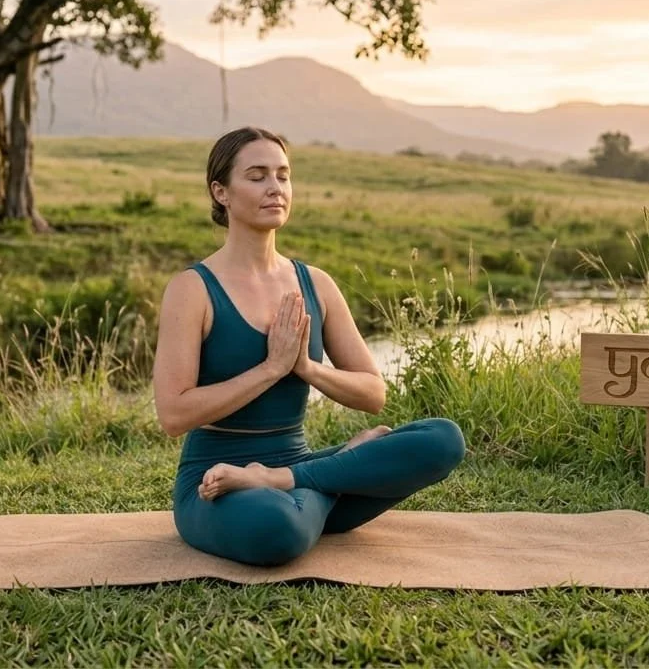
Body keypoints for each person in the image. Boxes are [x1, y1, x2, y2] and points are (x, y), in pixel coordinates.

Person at [152, 126, 465, 567]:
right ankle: (327, 480)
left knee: (443, 439)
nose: (275, 188)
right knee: (275, 529)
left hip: (298, 466)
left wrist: (308, 369)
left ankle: (288, 482)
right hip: (215, 482)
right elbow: (173, 415)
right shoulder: (193, 289)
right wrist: (270, 369)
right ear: (221, 192)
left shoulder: (315, 283)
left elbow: (373, 395)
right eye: (257, 176)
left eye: (283, 175)